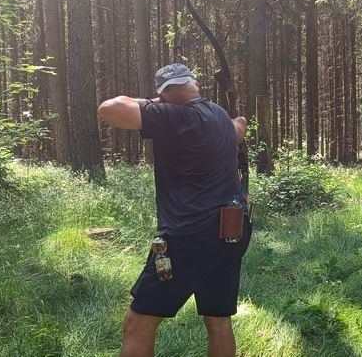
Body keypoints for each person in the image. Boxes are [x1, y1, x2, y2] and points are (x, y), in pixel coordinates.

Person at [97, 63, 251, 357]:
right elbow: (239, 129)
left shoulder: (171, 115)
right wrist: (237, 119)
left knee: (138, 322)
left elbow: (108, 108)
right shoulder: (219, 115)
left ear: (164, 94)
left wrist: (154, 103)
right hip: (231, 231)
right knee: (218, 320)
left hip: (188, 238)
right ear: (195, 85)